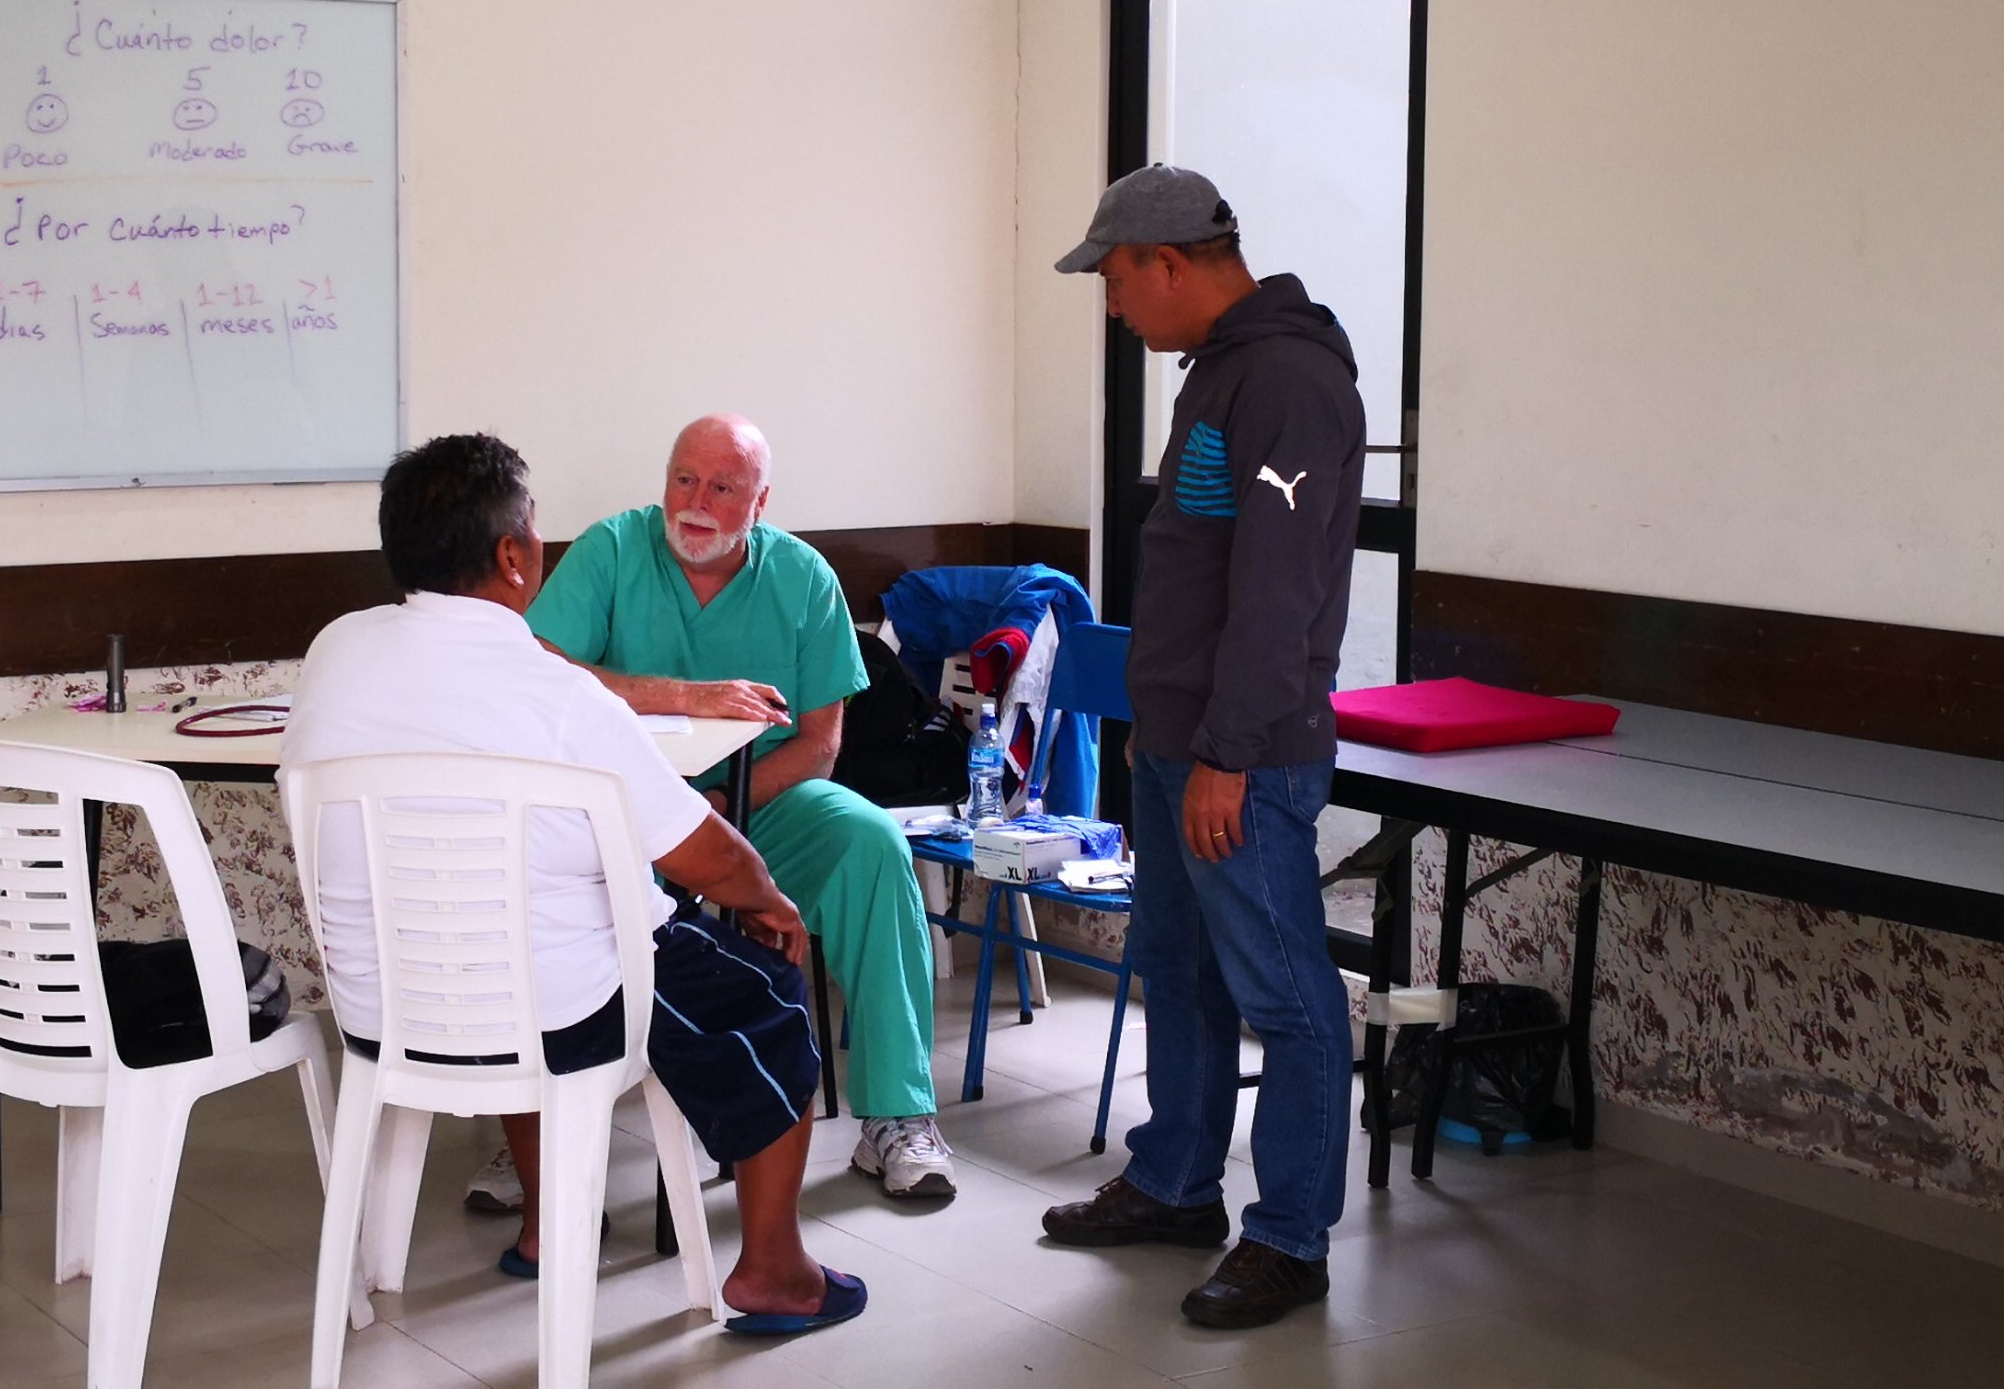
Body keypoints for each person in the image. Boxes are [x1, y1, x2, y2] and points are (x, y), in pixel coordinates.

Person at [281, 433, 866, 1335]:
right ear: (515, 555)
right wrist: (767, 899)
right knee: (766, 994)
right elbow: (703, 854)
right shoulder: (558, 692)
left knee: (525, 948)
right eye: (533, 530)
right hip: (552, 1015)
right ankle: (775, 1271)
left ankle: (549, 1226)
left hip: (385, 1007)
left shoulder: (336, 649)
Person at [1037, 165, 1367, 1330]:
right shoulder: (1220, 371)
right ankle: (1177, 1182)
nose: (1113, 303)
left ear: (1169, 262)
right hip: (1183, 740)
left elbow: (1280, 591)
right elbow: (1197, 571)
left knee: (1285, 991)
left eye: (1116, 278)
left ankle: (1289, 1238)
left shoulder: (1289, 380)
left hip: (1248, 753)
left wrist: (1226, 750)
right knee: (1177, 966)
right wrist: (1163, 735)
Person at [495, 413, 960, 1202]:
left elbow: (819, 745)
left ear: (760, 500)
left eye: (721, 486)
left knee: (872, 842)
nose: (696, 501)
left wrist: (713, 807)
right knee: (544, 872)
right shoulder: (613, 549)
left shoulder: (803, 577)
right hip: (618, 813)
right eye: (684, 479)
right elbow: (539, 668)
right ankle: (539, 1130)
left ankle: (897, 1114)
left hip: (759, 804)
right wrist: (683, 697)